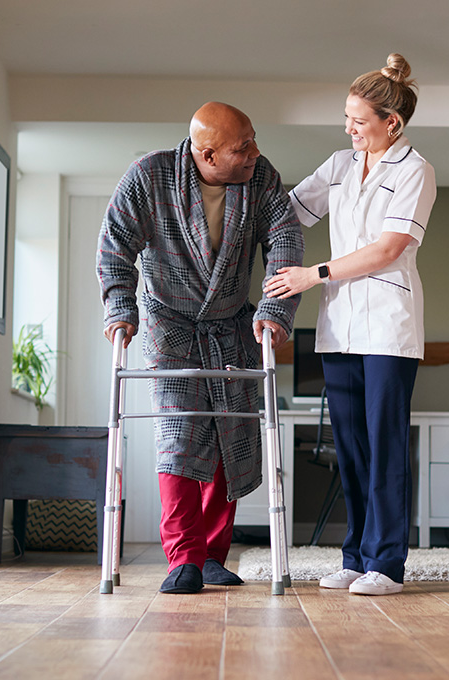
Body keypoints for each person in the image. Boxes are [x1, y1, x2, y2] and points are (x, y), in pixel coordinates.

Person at [97, 102, 303, 594]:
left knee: (229, 435)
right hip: (170, 324)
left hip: (231, 323)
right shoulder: (149, 176)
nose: (255, 152)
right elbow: (115, 244)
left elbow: (285, 242)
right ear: (207, 155)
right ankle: (183, 557)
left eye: (253, 139)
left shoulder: (262, 179)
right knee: (179, 434)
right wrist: (120, 307)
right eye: (242, 147)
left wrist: (274, 313)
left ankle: (213, 555)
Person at [265, 54, 435, 596]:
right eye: (346, 118)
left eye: (358, 121)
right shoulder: (340, 165)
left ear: (393, 123)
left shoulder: (415, 171)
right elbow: (288, 211)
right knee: (351, 448)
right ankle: (356, 555)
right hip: (338, 327)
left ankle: (387, 564)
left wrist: (312, 273)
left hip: (388, 326)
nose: (348, 129)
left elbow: (388, 249)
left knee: (385, 447)